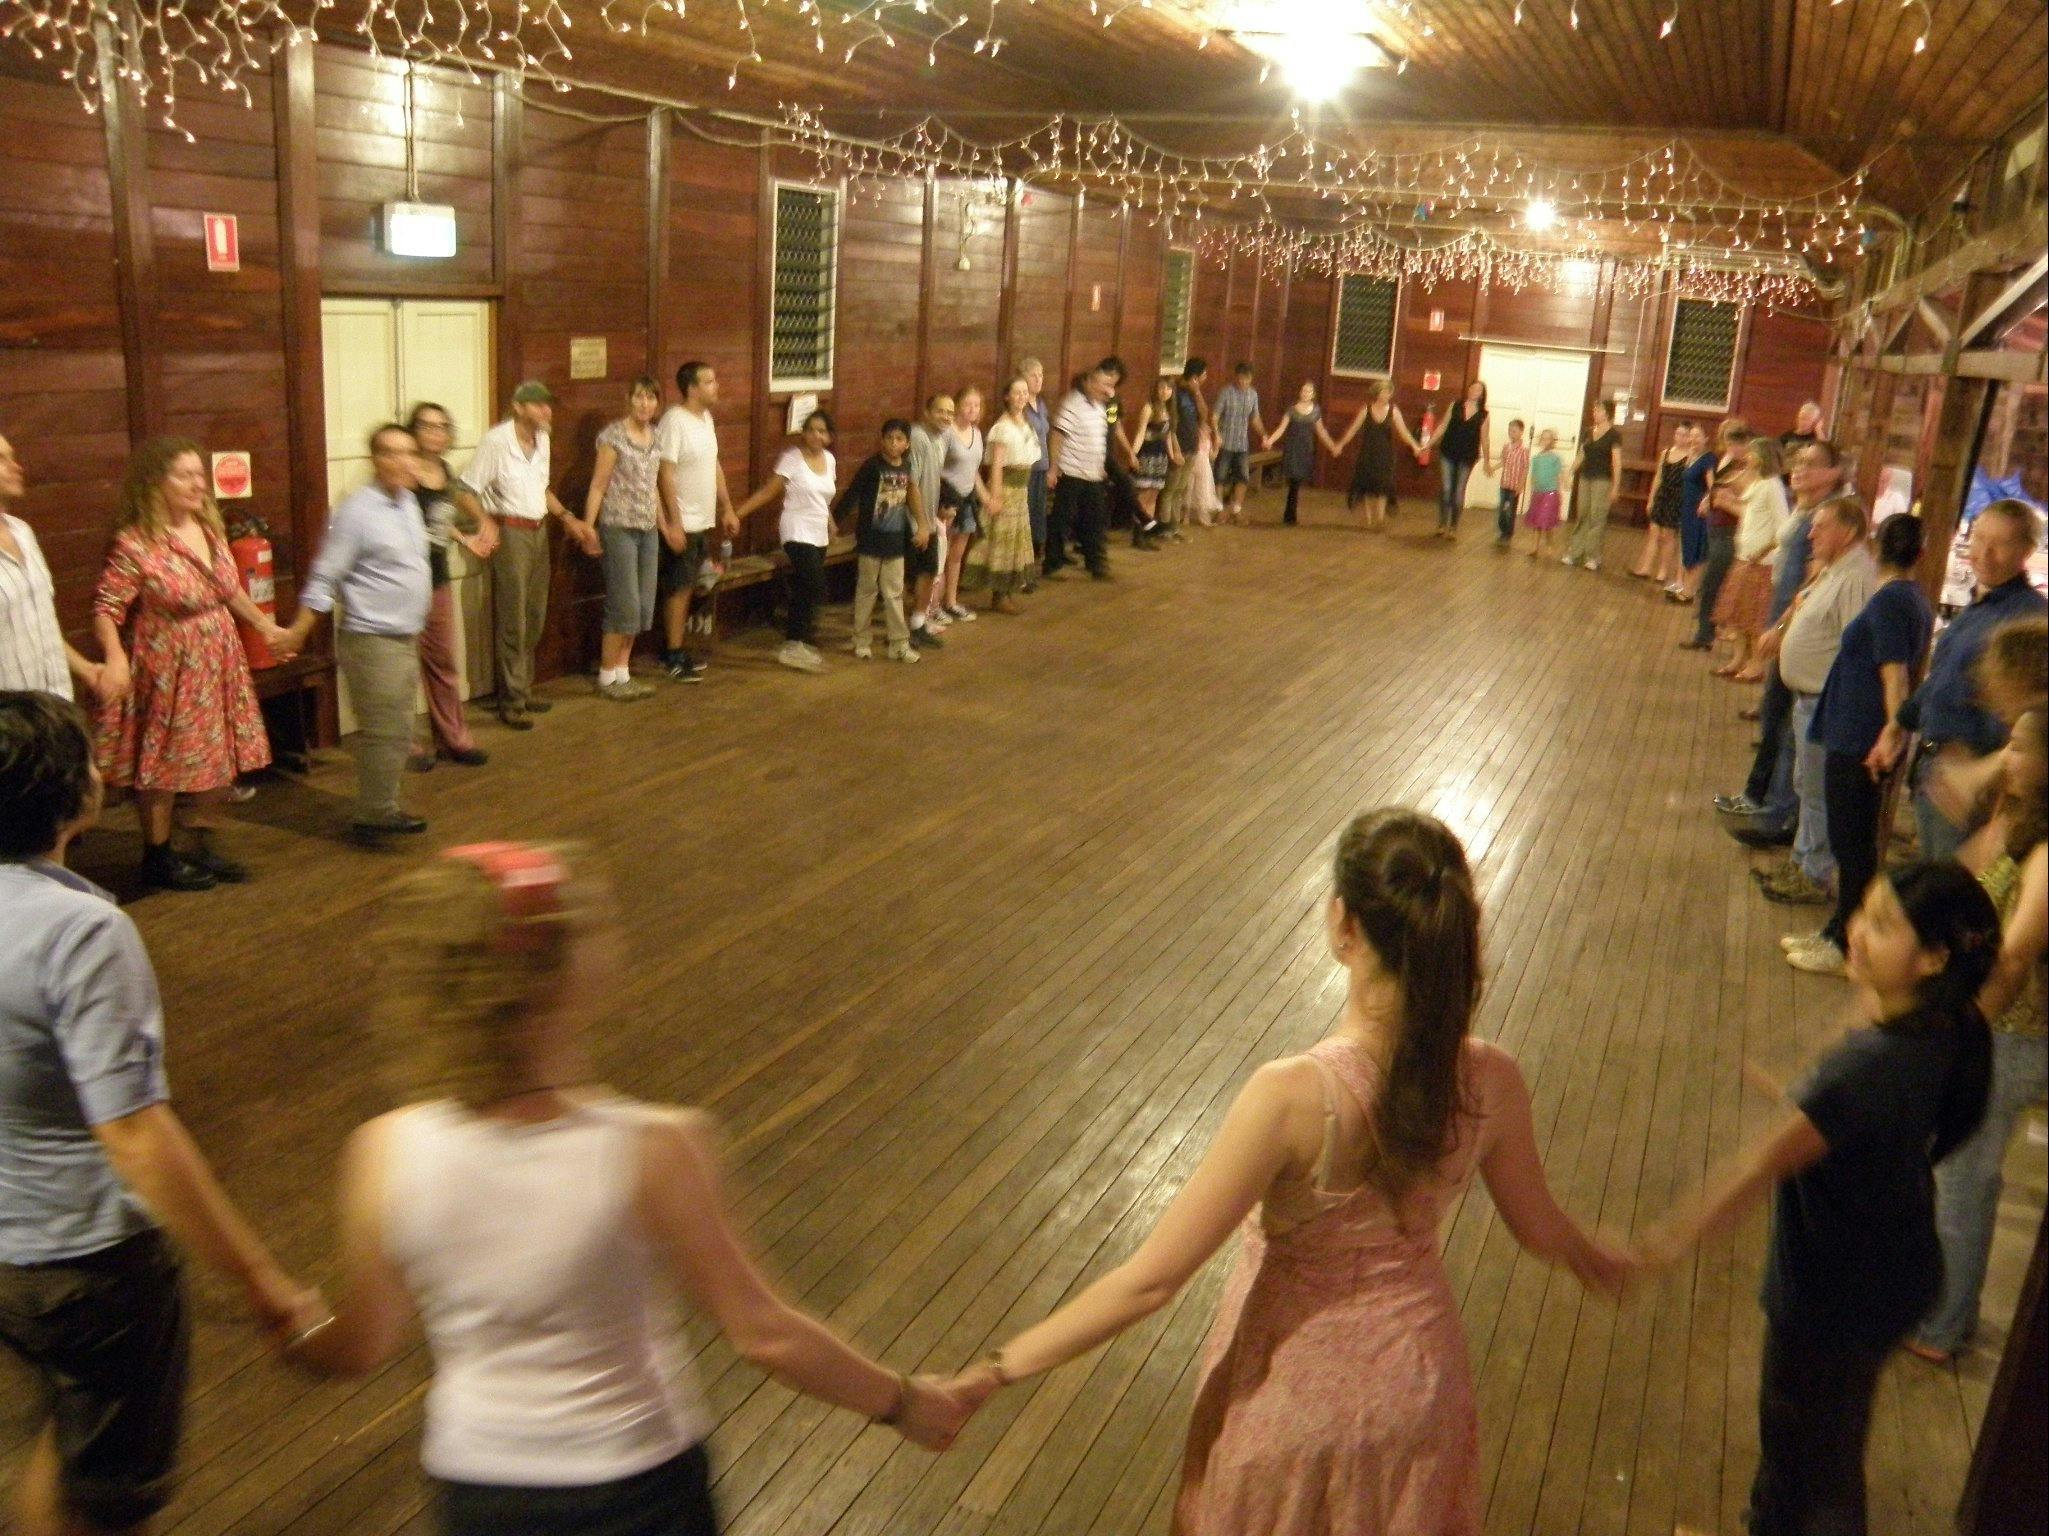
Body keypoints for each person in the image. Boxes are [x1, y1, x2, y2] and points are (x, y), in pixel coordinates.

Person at [937, 809, 1628, 1532]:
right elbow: (1542, 1227)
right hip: (1417, 1393)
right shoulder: (1491, 1079)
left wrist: (993, 1370)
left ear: (1342, 925)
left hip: (1290, 1401)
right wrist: (1599, 1257)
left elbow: (1148, 1282)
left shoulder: (1292, 1098)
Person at [285, 842, 965, 1536]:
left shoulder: (385, 1149)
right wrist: (903, 1403)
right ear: (557, 979)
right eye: (589, 924)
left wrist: (300, 1325)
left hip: (479, 1492)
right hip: (638, 1488)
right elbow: (765, 1335)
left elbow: (359, 1347)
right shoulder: (652, 1147)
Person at [0, 691, 320, 1536]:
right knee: (108, 1493)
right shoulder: (80, 932)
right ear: (76, 796)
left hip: (8, 1254)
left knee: (71, 1441)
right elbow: (134, 1134)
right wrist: (263, 1284)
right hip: (84, 1260)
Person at [1635, 861, 1997, 1536]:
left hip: (1834, 1294)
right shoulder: (1944, 1030)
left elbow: (1755, 1167)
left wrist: (1654, 1249)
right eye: (1863, 910)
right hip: (1893, 1271)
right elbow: (1851, 1114)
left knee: (1811, 1463)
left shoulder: (1868, 1069)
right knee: (1817, 1444)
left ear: (1931, 959)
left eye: (1882, 926)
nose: (1856, 931)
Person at [1909, 709, 2047, 1362]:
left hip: (2014, 1035)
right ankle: (1938, 1308)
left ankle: (1942, 1327)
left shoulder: (2047, 850)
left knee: (1965, 1175)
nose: (2005, 755)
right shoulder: (2020, 824)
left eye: (2018, 747)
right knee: (1953, 1168)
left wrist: (1962, 1025)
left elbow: (2017, 954)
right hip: (1993, 1026)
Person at [92, 437, 288, 892]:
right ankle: (157, 857)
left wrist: (267, 628)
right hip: (169, 661)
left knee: (224, 756)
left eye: (200, 474)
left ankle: (198, 843)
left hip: (219, 656)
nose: (198, 483)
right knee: (163, 762)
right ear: (155, 484)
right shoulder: (137, 542)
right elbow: (106, 607)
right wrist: (116, 658)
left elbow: (229, 591)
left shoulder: (209, 529)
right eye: (185, 475)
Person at [1784, 513, 1934, 976]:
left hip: (1859, 738)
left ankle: (1847, 943)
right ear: (1921, 554)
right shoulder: (1914, 600)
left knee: (1853, 847)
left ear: (1874, 547)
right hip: (1859, 731)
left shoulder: (1890, 602)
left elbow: (1895, 675)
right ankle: (1840, 930)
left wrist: (1891, 735)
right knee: (1854, 844)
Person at [276, 425, 435, 847]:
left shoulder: (408, 504)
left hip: (402, 636)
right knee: (385, 729)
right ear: (375, 459)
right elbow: (326, 576)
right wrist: (298, 632)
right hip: (372, 639)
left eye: (409, 453)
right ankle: (376, 814)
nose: (402, 461)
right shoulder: (356, 512)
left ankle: (380, 805)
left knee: (398, 728)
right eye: (391, 453)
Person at [1867, 498, 2047, 860]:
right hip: (1938, 766)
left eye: (2000, 544)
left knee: (1952, 889)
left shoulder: (2027, 619)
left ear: (2026, 550)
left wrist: (1992, 777)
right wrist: (1898, 726)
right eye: (1979, 539)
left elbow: (2032, 713)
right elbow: (1943, 678)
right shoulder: (1981, 606)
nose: (1984, 553)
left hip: (1972, 777)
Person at [1717, 442, 1847, 848]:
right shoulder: (1803, 507)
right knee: (1773, 716)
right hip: (1782, 617)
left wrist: (1787, 625)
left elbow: (1814, 580)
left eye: (1811, 465)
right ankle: (1757, 795)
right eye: (1798, 462)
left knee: (1787, 722)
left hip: (1797, 627)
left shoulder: (1828, 516)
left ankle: (1776, 813)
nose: (1799, 470)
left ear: (1833, 473)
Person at [1756, 494, 1877, 911]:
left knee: (1817, 793)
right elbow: (1805, 605)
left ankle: (1813, 872)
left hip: (1825, 702)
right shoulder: (1835, 569)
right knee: (1805, 785)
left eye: (1820, 526)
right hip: (1809, 698)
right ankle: (1802, 861)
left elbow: (1855, 646)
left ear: (1846, 532)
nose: (1811, 532)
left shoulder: (1856, 578)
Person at [456, 381, 598, 731]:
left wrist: (567, 518)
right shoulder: (497, 441)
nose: (546, 411)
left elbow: (541, 489)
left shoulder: (543, 440)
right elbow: (464, 490)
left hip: (537, 531)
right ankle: (512, 700)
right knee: (513, 616)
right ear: (518, 407)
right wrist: (485, 521)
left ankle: (524, 688)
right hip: (512, 532)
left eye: (548, 405)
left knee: (534, 614)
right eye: (538, 405)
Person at [402, 404, 489, 771]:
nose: (435, 433)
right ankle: (406, 744)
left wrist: (462, 538)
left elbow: (438, 521)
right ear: (414, 430)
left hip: (437, 580)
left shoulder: (444, 472)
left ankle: (453, 737)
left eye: (442, 427)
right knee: (403, 666)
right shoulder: (405, 473)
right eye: (427, 426)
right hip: (403, 584)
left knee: (443, 663)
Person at [579, 378, 665, 702]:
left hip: (647, 528)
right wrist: (589, 526)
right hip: (618, 527)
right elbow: (599, 485)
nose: (645, 404)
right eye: (640, 397)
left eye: (651, 398)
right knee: (623, 603)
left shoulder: (656, 438)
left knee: (643, 605)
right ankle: (606, 675)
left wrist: (664, 523)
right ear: (628, 399)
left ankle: (623, 672)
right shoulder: (613, 437)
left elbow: (652, 486)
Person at [654, 362, 741, 685]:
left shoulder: (705, 419)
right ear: (691, 388)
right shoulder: (674, 422)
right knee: (679, 587)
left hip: (701, 519)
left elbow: (714, 464)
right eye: (709, 381)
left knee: (692, 584)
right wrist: (674, 523)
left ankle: (678, 647)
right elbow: (664, 472)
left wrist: (727, 507)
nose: (716, 386)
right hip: (684, 521)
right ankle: (673, 653)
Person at [0, 432, 103, 700]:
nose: (16, 467)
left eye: (12, 457)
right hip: (11, 720)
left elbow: (40, 622)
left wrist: (86, 669)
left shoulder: (23, 532)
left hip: (55, 705)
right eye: (2, 459)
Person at [733, 409, 837, 673]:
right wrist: (738, 513)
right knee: (815, 584)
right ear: (804, 433)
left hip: (819, 531)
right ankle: (792, 643)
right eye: (811, 429)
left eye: (822, 430)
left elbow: (825, 498)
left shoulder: (830, 460)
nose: (816, 435)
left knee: (805, 587)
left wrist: (831, 521)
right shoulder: (792, 459)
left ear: (829, 436)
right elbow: (770, 490)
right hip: (796, 529)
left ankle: (798, 642)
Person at [839, 418, 930, 665]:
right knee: (866, 591)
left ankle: (898, 644)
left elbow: (913, 494)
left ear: (907, 444)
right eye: (889, 438)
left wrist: (922, 525)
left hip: (894, 541)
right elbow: (853, 494)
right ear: (881, 440)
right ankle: (861, 640)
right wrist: (834, 522)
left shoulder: (906, 467)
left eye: (899, 439)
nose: (893, 443)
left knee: (894, 593)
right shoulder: (872, 466)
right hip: (870, 539)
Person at [1709, 436, 1789, 678]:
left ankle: (1756, 664)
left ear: (1763, 457)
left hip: (1760, 562)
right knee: (1739, 614)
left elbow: (1783, 526)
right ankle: (1737, 659)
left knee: (1755, 617)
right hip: (1744, 556)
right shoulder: (1758, 483)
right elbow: (1749, 511)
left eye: (1753, 453)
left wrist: (1764, 549)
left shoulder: (1773, 486)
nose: (1748, 456)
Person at [966, 376, 1039, 615]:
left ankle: (1007, 589)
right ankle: (999, 594)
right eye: (1016, 393)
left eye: (1025, 392)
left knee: (1015, 543)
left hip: (1020, 490)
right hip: (1006, 489)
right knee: (1002, 543)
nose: (1021, 397)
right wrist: (994, 497)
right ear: (1006, 396)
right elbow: (997, 465)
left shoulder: (1024, 423)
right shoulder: (1002, 427)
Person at [1681, 418, 1751, 648]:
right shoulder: (1729, 461)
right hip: (1716, 526)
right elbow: (1717, 487)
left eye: (1732, 443)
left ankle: (1706, 633)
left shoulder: (1749, 469)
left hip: (1729, 531)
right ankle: (1706, 631)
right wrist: (1708, 499)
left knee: (1712, 584)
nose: (1729, 448)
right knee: (1711, 584)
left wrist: (1723, 501)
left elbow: (1744, 503)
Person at [1044, 364, 1113, 581]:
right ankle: (1052, 563)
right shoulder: (1072, 403)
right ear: (1090, 383)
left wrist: (1100, 466)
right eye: (1103, 384)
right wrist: (1054, 468)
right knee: (1061, 519)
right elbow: (1057, 435)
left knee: (1095, 520)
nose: (1107, 389)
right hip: (1072, 472)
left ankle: (1096, 564)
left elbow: (1099, 440)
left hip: (1092, 474)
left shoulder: (1101, 408)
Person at [1335, 380, 1421, 532]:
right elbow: (1352, 430)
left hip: (1385, 453)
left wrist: (1415, 445)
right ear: (1377, 393)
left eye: (1389, 392)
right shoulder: (1366, 410)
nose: (1387, 395)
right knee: (1367, 486)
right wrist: (1340, 444)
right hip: (1368, 452)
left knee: (1383, 486)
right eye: (1383, 391)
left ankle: (1379, 519)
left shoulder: (1393, 410)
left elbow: (1404, 431)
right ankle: (1368, 519)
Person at [935, 384, 987, 630]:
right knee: (939, 556)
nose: (972, 410)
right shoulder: (947, 433)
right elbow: (936, 467)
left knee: (956, 556)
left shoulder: (977, 434)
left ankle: (951, 601)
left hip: (967, 500)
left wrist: (984, 495)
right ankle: (932, 606)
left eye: (976, 405)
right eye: (967, 404)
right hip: (947, 500)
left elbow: (974, 470)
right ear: (957, 406)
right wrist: (941, 501)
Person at [908, 393, 954, 642]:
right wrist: (922, 524)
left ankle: (919, 623)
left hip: (929, 519)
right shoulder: (918, 438)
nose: (946, 416)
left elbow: (932, 480)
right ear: (927, 412)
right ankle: (904, 629)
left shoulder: (941, 439)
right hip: (915, 522)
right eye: (940, 411)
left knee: (929, 571)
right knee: (917, 573)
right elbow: (912, 483)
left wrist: (938, 511)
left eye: (950, 412)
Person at [1422, 379, 1491, 539]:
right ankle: (1441, 523)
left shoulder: (1484, 415)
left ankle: (1453, 526)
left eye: (1478, 389)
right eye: (1472, 387)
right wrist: (1429, 444)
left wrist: (1487, 461)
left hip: (1467, 455)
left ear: (1482, 395)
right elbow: (1442, 426)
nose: (1474, 390)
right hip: (1448, 451)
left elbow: (1485, 438)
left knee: (1458, 491)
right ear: (1468, 389)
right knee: (1446, 489)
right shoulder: (1455, 405)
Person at [1263, 382, 1336, 528]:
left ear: (1313, 394)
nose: (1306, 393)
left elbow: (1321, 431)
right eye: (1304, 390)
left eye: (1309, 391)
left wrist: (1332, 446)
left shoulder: (1316, 411)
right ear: (1300, 392)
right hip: (1292, 448)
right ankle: (1290, 515)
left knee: (1296, 482)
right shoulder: (1291, 410)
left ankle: (1289, 514)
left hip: (1305, 449)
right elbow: (1281, 428)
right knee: (1294, 482)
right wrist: (1270, 440)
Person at [1561, 399, 1622, 570]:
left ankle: (1593, 556)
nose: (1595, 413)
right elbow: (1581, 455)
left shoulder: (1614, 435)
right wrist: (1569, 472)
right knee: (1583, 514)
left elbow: (1617, 463)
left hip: (1602, 480)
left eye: (1598, 410)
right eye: (1594, 410)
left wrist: (1616, 487)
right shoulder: (1588, 432)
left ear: (1607, 413)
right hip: (1585, 478)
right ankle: (1575, 552)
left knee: (1597, 516)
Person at [1631, 422, 1691, 585]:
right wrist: (1651, 498)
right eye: (1678, 434)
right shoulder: (1665, 453)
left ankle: (1663, 572)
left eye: (1684, 435)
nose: (1680, 438)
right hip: (1662, 495)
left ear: (1689, 438)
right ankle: (1645, 568)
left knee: (1668, 536)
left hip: (1677, 498)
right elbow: (1658, 476)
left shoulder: (1690, 456)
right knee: (1654, 532)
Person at [1667, 422, 1716, 604]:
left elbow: (1712, 485)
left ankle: (1689, 591)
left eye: (1698, 436)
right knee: (1687, 548)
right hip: (1686, 508)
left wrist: (1706, 500)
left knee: (1695, 550)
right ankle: (1686, 588)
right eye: (1691, 436)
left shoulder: (1707, 458)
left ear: (1706, 438)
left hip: (1697, 511)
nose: (1694, 439)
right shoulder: (1691, 457)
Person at [1211, 362, 1266, 526]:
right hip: (1225, 443)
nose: (1243, 381)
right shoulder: (1226, 393)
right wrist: (1216, 434)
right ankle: (1220, 509)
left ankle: (1236, 510)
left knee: (1243, 477)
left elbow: (1255, 418)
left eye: (1247, 378)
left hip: (1242, 444)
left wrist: (1264, 434)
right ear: (1236, 376)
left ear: (1251, 378)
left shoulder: (1253, 395)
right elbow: (1215, 416)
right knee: (1220, 477)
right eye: (1241, 378)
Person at [1128, 375, 1181, 542]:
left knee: (1154, 495)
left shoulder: (1169, 410)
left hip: (1161, 456)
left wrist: (1172, 455)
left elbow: (1167, 436)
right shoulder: (1149, 408)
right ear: (1155, 389)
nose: (1164, 392)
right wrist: (1133, 454)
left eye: (1168, 388)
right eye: (1161, 388)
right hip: (1148, 454)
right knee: (1143, 495)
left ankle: (1148, 531)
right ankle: (1138, 534)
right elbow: (1140, 433)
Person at [1159, 358, 1208, 535]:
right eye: (1203, 374)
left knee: (1180, 489)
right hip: (1178, 446)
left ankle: (1174, 526)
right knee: (1170, 489)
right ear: (1195, 376)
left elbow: (1203, 416)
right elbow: (1171, 424)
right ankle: (1165, 528)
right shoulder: (1176, 392)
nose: (1205, 378)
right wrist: (1176, 449)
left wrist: (1197, 393)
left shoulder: (1194, 393)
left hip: (1192, 446)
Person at [1018, 357, 1050, 586]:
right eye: (1033, 375)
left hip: (1041, 467)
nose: (1039, 380)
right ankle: (1021, 572)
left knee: (1038, 519)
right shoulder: (1021, 407)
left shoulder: (1041, 405)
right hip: (1026, 470)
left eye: (1041, 375)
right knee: (1025, 520)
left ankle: (1032, 567)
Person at [1521, 428, 1565, 559]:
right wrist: (1532, 490)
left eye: (1548, 439)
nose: (1545, 441)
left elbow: (1559, 475)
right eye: (1543, 438)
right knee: (1536, 521)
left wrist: (1560, 491)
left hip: (1550, 493)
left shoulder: (1555, 458)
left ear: (1552, 442)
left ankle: (1550, 544)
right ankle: (1534, 547)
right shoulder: (1536, 458)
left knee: (1546, 521)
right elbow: (1533, 475)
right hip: (1538, 493)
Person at [1493, 416, 1530, 547]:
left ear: (1521, 432)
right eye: (1510, 430)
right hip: (1505, 483)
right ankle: (1502, 530)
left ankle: (1508, 532)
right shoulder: (1506, 447)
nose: (1511, 433)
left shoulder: (1524, 450)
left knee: (1511, 510)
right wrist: (1493, 468)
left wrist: (1521, 484)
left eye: (1514, 431)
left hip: (1515, 485)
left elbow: (1525, 467)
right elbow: (1503, 461)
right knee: (1502, 508)